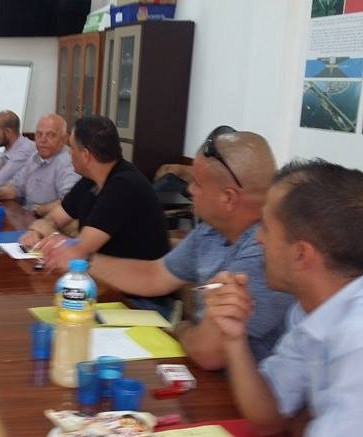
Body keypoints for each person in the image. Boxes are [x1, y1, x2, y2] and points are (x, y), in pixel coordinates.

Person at [85, 126, 294, 370]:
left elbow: (209, 354)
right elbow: (155, 275)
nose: (189, 190)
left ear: (228, 198)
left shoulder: (265, 252)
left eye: (197, 183)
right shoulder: (211, 230)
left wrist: (182, 328)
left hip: (234, 387)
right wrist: (83, 262)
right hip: (201, 373)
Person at [205, 159, 363, 437]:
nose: (258, 238)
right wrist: (234, 337)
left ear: (301, 254)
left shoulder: (356, 340)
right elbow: (268, 418)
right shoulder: (308, 311)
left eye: (266, 227)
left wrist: (303, 424)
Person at [19, 116, 171, 314]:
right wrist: (35, 232)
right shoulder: (90, 181)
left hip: (137, 302)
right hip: (102, 287)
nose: (69, 152)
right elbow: (52, 219)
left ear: (85, 155)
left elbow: (79, 250)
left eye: (72, 147)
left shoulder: (123, 186)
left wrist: (56, 238)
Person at [0, 114, 79, 214]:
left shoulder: (68, 162)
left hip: (46, 219)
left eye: (50, 135)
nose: (43, 140)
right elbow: (17, 188)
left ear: (64, 139)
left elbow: (70, 202)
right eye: (39, 134)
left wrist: (38, 210)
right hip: (27, 215)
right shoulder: (35, 157)